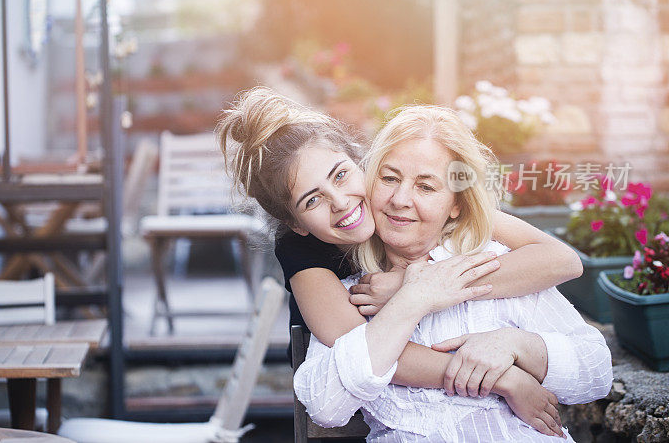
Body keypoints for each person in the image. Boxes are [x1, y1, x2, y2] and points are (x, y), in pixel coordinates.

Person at [216, 87, 582, 432]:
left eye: (341, 175)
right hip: (368, 402)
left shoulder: (398, 197)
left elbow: (562, 260)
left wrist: (416, 282)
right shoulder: (302, 252)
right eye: (312, 200)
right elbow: (367, 350)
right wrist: (503, 379)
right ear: (294, 223)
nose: (341, 201)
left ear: (360, 162)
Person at [293, 105, 613, 441]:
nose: (401, 199)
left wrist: (515, 345)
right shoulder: (353, 298)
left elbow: (597, 372)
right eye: (389, 178)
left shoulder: (496, 265)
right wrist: (413, 297)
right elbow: (326, 408)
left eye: (426, 187)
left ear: (456, 204)